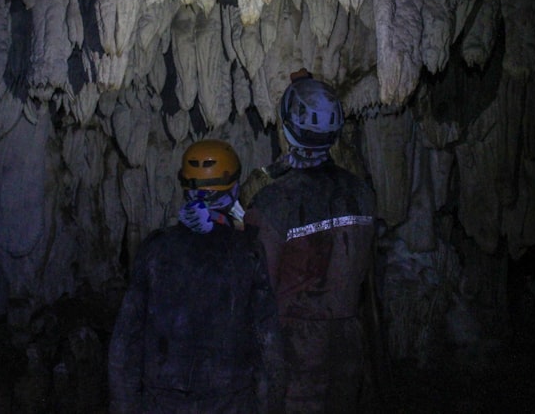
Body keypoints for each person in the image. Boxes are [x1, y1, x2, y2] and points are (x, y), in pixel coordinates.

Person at [107, 139, 284, 413]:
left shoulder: (155, 250)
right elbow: (267, 343)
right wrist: (269, 404)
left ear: (186, 188)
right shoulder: (247, 253)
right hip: (229, 398)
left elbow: (125, 342)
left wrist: (125, 405)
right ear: (234, 189)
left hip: (164, 399)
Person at [243, 70, 379, 413]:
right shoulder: (361, 193)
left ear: (287, 130)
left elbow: (259, 288)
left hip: (294, 349)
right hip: (348, 342)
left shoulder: (274, 203)